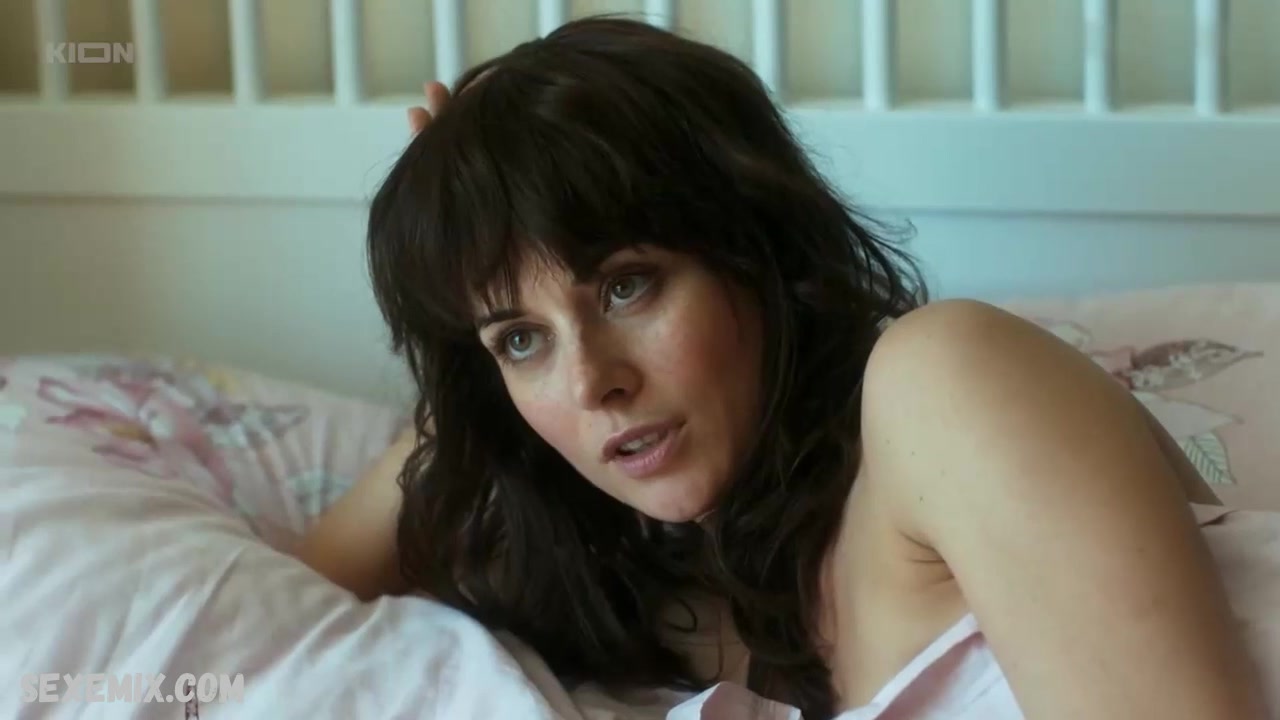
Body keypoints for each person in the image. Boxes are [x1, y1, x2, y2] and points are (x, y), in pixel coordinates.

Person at [296, 16, 1268, 720]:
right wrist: (461, 342)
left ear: (755, 252)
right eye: (520, 339)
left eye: (627, 286)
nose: (591, 382)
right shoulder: (687, 619)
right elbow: (279, 621)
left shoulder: (945, 384)